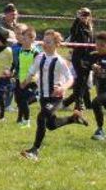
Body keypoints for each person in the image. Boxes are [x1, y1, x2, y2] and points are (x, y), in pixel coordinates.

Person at [20, 30, 87, 160]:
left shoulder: (59, 61)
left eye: (49, 42)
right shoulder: (39, 57)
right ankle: (73, 119)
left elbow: (70, 78)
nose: (45, 44)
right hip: (43, 97)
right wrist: (24, 82)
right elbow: (32, 72)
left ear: (57, 44)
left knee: (41, 117)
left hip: (55, 98)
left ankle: (34, 151)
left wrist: (63, 88)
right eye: (44, 41)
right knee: (51, 125)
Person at [65, 8, 95, 111]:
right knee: (81, 80)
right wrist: (77, 19)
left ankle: (84, 103)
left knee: (84, 81)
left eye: (87, 15)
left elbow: (92, 42)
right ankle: (79, 102)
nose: (85, 17)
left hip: (88, 57)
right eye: (83, 14)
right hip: (78, 56)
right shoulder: (78, 26)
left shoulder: (90, 27)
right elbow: (73, 31)